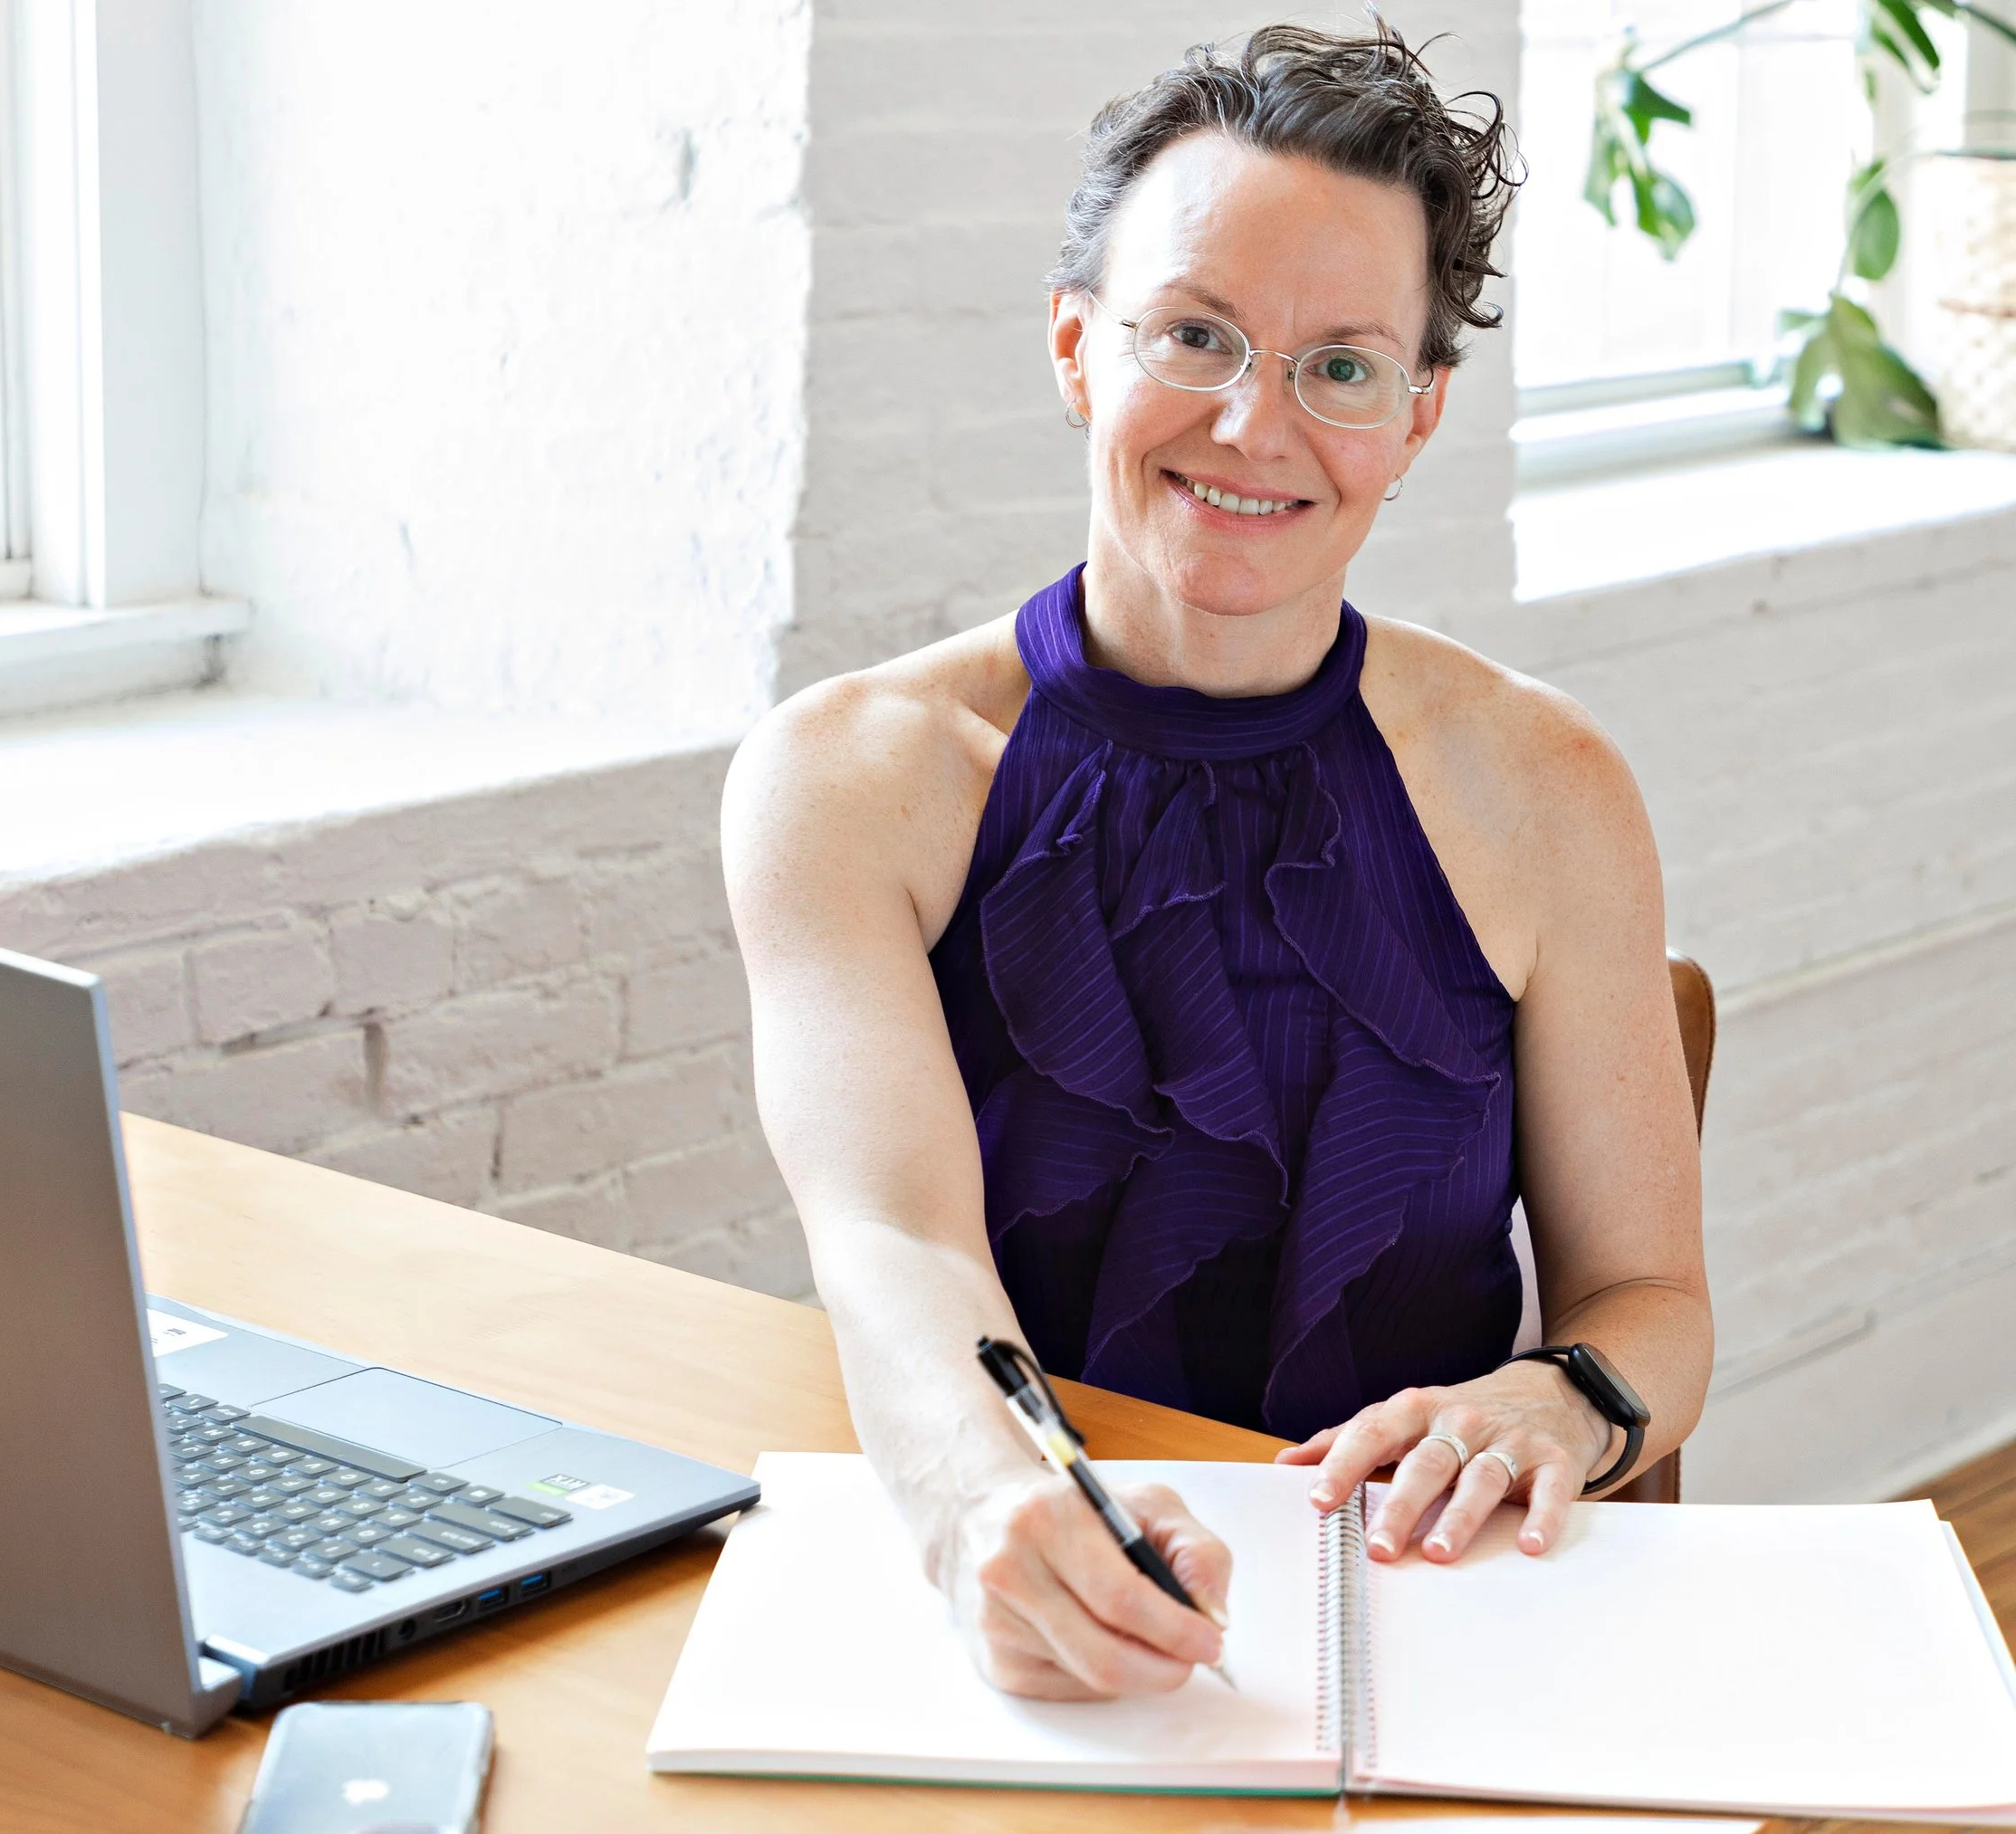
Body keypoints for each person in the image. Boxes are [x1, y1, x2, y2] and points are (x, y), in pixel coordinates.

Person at [724, 23, 1711, 1703]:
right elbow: (892, 1244)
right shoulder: (850, 779)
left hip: (1434, 1614)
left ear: (1416, 419)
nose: (1257, 424)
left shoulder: (1550, 785)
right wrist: (988, 1507)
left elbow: (1651, 1297)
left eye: (1343, 366)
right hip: (1020, 1567)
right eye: (1195, 334)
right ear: (1074, 350)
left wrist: (1567, 1397)